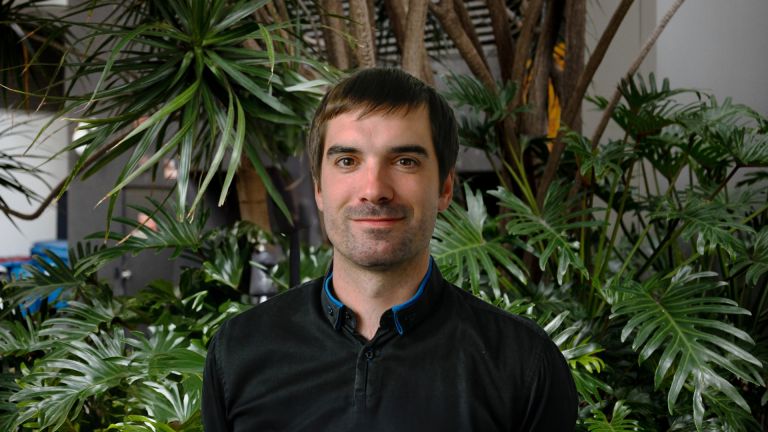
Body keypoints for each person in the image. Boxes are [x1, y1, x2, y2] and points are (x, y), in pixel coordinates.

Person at [202, 68, 578, 432]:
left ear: (445, 188)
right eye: (347, 161)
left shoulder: (524, 364)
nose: (374, 189)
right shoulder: (237, 352)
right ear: (319, 188)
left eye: (404, 161)